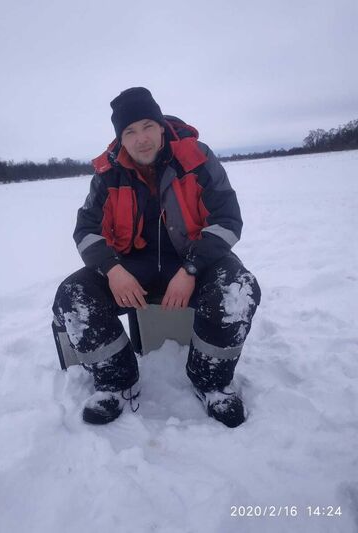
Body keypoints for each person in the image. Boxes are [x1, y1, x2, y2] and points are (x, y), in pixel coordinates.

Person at [52, 87, 261, 428]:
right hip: (132, 266)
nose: (141, 138)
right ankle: (116, 382)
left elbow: (228, 220)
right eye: (130, 131)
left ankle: (211, 381)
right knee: (73, 295)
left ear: (161, 127)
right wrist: (112, 269)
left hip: (194, 260)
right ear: (121, 139)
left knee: (238, 288)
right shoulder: (108, 173)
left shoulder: (197, 158)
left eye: (148, 126)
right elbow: (87, 230)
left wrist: (192, 268)